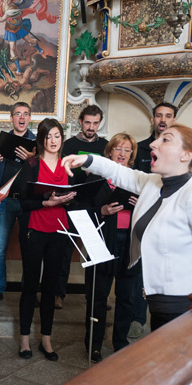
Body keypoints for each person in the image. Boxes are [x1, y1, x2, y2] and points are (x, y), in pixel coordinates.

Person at [63, 124, 192, 330]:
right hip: (158, 302)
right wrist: (87, 159)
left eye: (166, 139)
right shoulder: (154, 183)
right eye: (157, 138)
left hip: (182, 304)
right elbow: (119, 173)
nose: (153, 143)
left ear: (186, 154)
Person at [12, 119, 75, 361]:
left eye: (57, 135)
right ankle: (25, 340)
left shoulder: (68, 164)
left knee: (50, 287)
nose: (53, 140)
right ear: (41, 139)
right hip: (35, 229)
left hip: (59, 230)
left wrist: (69, 199)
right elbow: (23, 201)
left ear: (62, 138)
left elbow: (76, 197)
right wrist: (45, 203)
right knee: (30, 285)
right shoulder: (31, 164)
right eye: (48, 136)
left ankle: (46, 340)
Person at [82, 133, 146, 361]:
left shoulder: (140, 181)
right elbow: (80, 209)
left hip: (130, 243)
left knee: (126, 296)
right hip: (102, 241)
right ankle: (94, 344)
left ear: (132, 155)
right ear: (109, 152)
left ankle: (120, 341)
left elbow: (154, 214)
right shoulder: (95, 179)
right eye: (118, 148)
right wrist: (102, 211)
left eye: (127, 150)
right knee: (98, 295)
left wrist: (142, 206)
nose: (122, 153)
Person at [55, 104, 108, 309]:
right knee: (65, 251)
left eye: (95, 123)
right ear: (80, 122)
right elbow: (61, 173)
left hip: (96, 204)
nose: (91, 127)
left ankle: (94, 297)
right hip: (73, 202)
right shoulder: (68, 145)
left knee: (95, 252)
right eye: (88, 122)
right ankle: (58, 294)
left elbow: (110, 173)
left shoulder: (105, 145)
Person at [0, 102, 35, 304]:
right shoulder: (1, 142)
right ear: (11, 118)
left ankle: (28, 289)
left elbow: (42, 173)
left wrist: (33, 159)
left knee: (30, 248)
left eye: (25, 114)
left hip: (27, 202)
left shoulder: (37, 143)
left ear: (30, 118)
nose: (21, 118)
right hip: (5, 200)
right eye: (17, 114)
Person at [133, 102, 177, 173]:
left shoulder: (183, 149)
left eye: (168, 116)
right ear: (153, 120)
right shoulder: (138, 148)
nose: (163, 120)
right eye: (158, 116)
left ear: (174, 121)